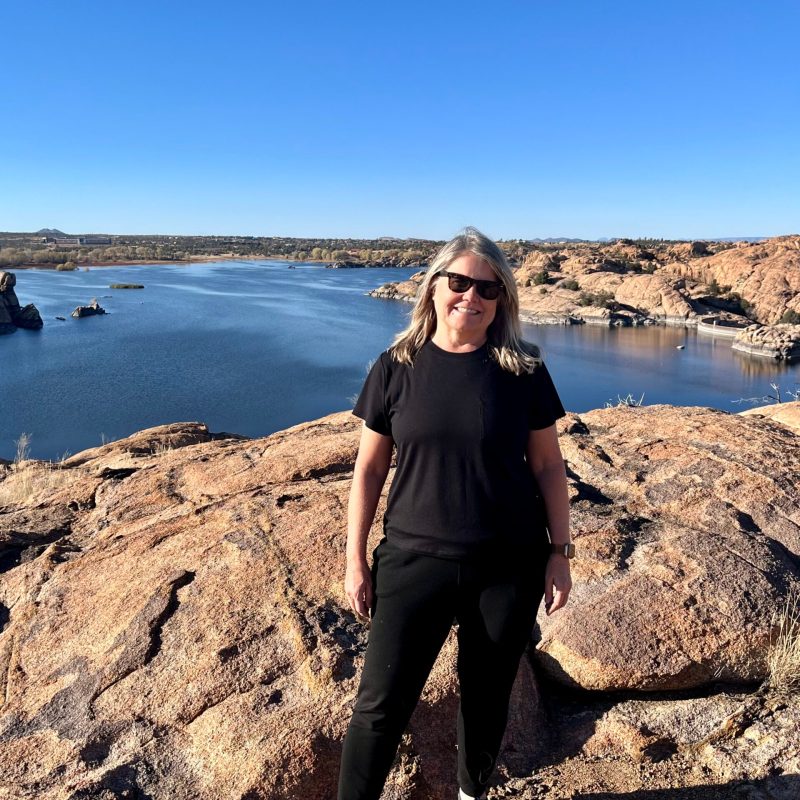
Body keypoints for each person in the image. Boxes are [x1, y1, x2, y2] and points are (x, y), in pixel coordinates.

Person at [338, 227, 573, 800]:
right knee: (379, 707)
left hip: (507, 565)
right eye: (460, 282)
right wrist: (354, 559)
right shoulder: (395, 366)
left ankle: (472, 794)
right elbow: (368, 470)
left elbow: (547, 468)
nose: (472, 296)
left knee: (487, 698)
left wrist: (559, 554)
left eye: (488, 289)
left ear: (503, 302)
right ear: (434, 287)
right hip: (414, 561)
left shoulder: (524, 371)